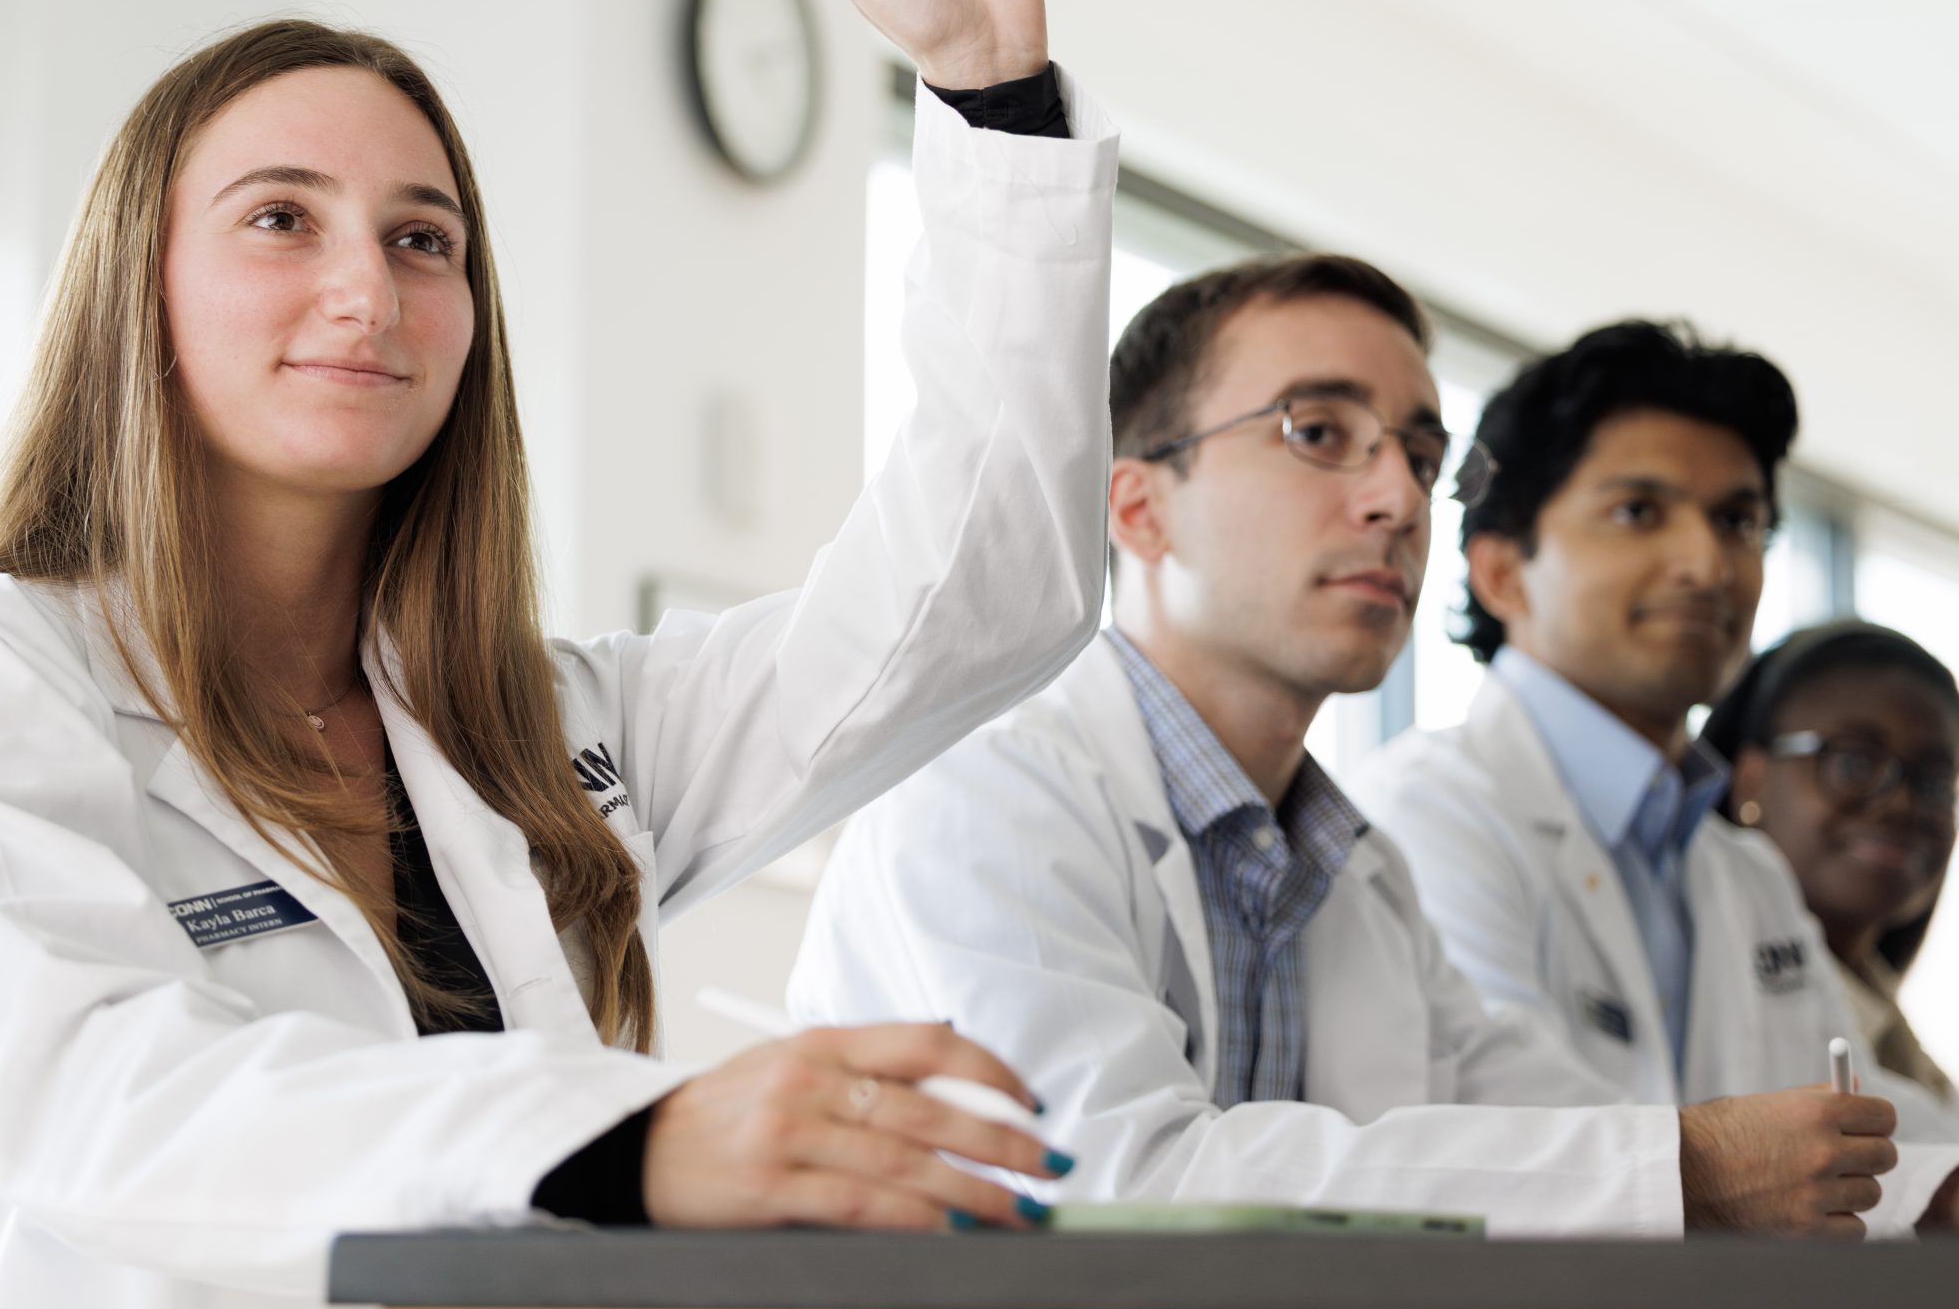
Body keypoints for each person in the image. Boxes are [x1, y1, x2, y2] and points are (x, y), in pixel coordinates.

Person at [0, 0, 1120, 1309]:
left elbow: (983, 592)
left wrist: (991, 88)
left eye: (422, 240)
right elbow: (103, 1102)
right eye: (281, 218)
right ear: (134, 292)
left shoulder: (547, 725)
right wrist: (639, 1143)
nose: (368, 288)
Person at [790, 261, 1896, 1236]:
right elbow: (1113, 1188)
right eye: (1317, 433)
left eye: (1419, 454)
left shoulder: (1357, 873)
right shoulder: (988, 792)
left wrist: (1909, 1189)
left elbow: (1545, 1129)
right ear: (1137, 507)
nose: (1396, 500)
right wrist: (1686, 1170)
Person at [1346, 321, 1959, 1228]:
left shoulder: (1742, 873)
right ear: (1502, 572)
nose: (1708, 564)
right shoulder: (1424, 813)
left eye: (1739, 521)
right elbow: (1500, 1132)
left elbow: (1865, 1117)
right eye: (1640, 511)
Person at [1709, 621, 1959, 1104]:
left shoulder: (1895, 1039)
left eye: (1933, 783)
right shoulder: (1710, 999)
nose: (1902, 804)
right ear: (1751, 779)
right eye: (1855, 763)